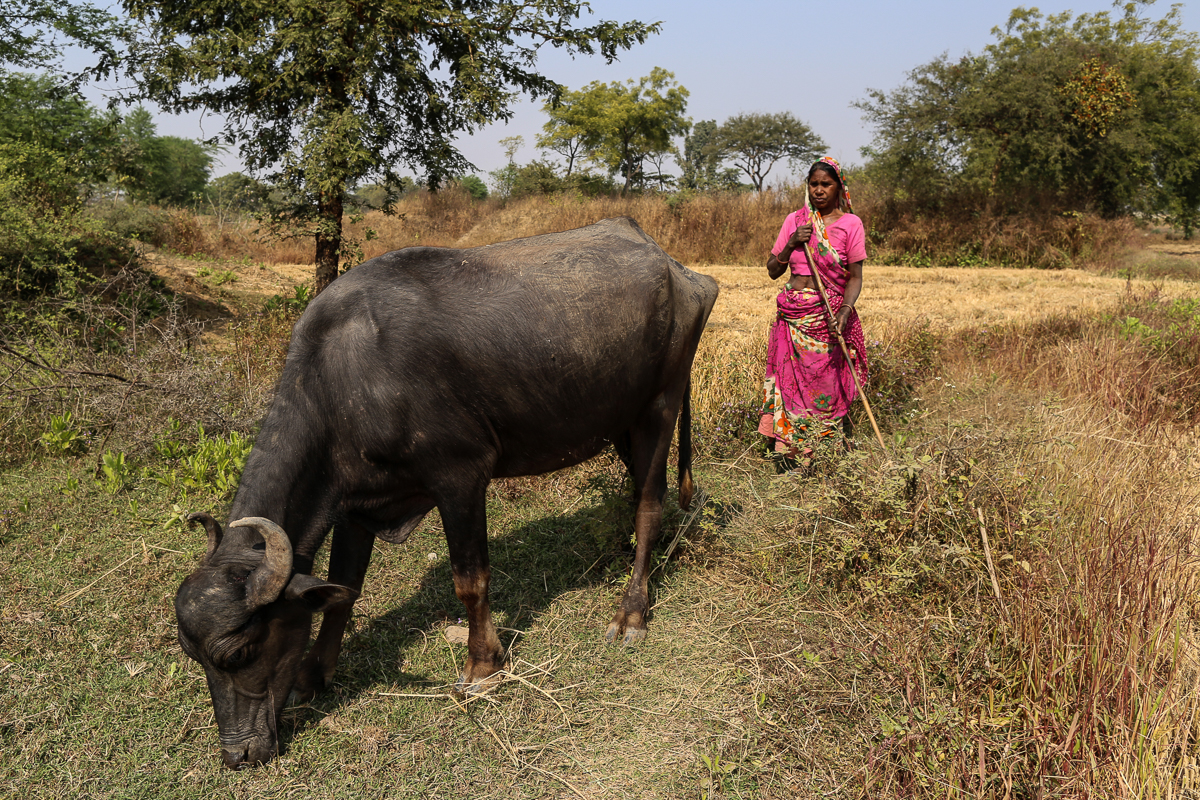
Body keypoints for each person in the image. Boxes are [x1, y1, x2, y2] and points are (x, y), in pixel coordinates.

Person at [758, 157, 868, 466]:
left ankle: (825, 453)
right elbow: (771, 271)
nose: (819, 190)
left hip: (828, 318)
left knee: (826, 385)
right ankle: (789, 456)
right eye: (814, 184)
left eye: (826, 184)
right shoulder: (795, 220)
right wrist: (791, 244)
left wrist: (845, 311)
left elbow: (855, 277)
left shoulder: (851, 224)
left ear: (838, 187)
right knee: (790, 386)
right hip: (792, 317)